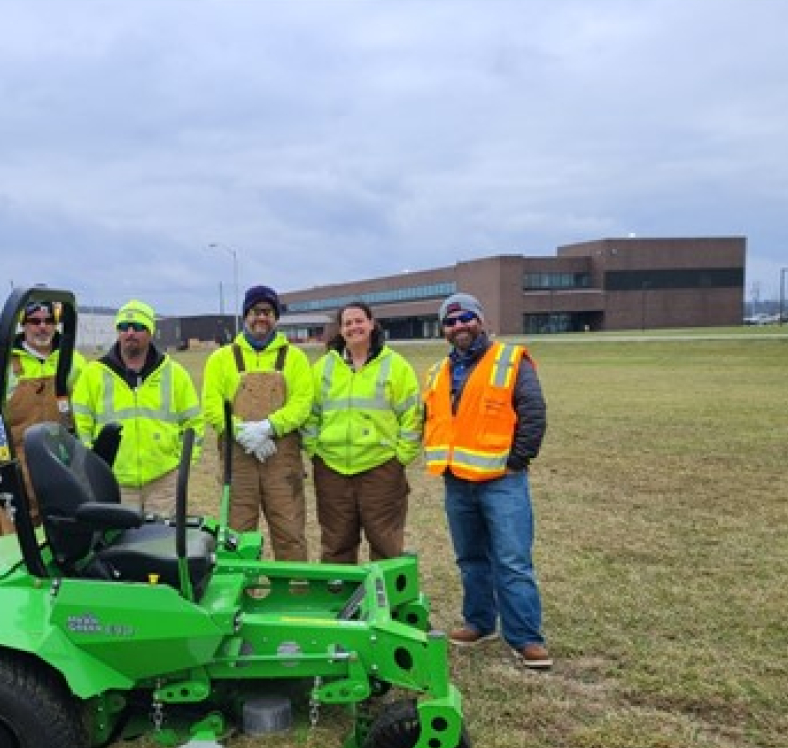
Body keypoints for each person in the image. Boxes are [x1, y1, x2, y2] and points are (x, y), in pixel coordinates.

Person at [422, 293, 550, 670]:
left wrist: (517, 460)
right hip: (457, 482)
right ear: (443, 329)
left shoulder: (510, 361)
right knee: (471, 558)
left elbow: (533, 411)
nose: (459, 326)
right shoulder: (437, 372)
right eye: (451, 321)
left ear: (480, 320)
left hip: (501, 482)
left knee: (511, 560)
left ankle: (526, 637)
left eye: (466, 318)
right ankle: (479, 622)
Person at [301, 301, 421, 563]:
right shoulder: (324, 368)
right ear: (340, 329)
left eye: (359, 321)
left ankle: (386, 603)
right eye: (348, 323)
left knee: (385, 542)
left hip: (380, 468)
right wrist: (314, 450)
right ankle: (339, 601)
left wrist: (400, 457)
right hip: (331, 468)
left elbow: (412, 415)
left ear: (371, 323)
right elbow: (310, 413)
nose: (354, 327)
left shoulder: (396, 366)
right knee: (336, 543)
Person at [201, 285, 313, 560]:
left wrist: (268, 428)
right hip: (238, 466)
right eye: (255, 312)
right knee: (237, 539)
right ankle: (239, 599)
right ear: (245, 316)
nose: (261, 317)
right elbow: (212, 406)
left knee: (291, 535)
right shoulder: (221, 359)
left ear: (275, 317)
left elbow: (302, 403)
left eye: (268, 312)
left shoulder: (295, 358)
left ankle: (294, 598)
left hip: (282, 465)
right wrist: (240, 432)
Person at [71, 299, 203, 515]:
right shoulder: (93, 373)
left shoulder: (174, 373)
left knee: (160, 544)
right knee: (120, 546)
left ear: (150, 332)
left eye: (139, 327)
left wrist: (182, 466)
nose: (130, 333)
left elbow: (194, 423)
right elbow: (80, 425)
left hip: (164, 482)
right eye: (124, 327)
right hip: (114, 482)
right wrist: (94, 466)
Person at [0, 299, 87, 535]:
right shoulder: (0, 364)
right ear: (23, 325)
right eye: (34, 321)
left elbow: (85, 410)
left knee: (65, 533)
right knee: (17, 538)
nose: (42, 327)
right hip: (16, 465)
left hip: (60, 460)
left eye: (48, 321)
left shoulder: (73, 361)